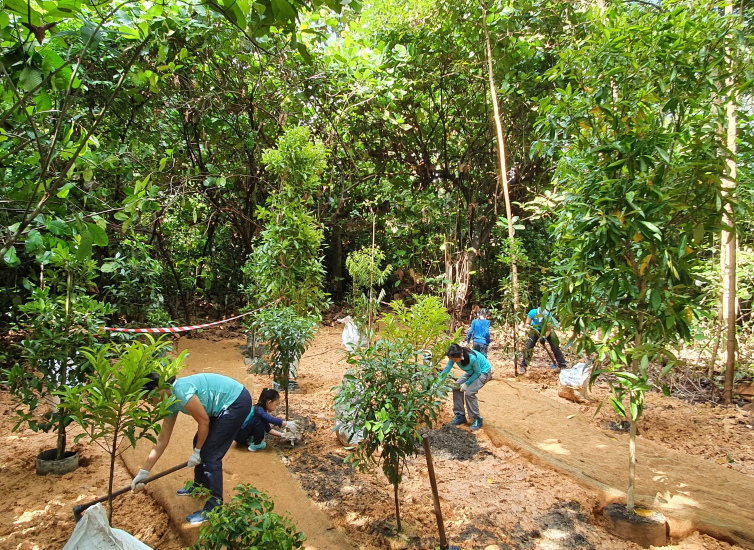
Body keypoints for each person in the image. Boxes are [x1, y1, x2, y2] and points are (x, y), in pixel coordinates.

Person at [131, 372, 252, 525]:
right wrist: (144, 472)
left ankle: (214, 508)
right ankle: (200, 486)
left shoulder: (181, 391)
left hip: (236, 402)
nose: (149, 402)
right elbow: (162, 439)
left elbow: (204, 422)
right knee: (199, 442)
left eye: (147, 398)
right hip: (222, 404)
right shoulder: (170, 400)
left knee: (210, 454)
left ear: (156, 389)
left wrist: (198, 453)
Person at [440, 343, 492, 431]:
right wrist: (437, 382)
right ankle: (460, 415)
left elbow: (477, 373)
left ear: (461, 355)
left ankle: (477, 418)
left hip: (483, 372)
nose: (452, 361)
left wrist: (467, 383)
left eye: (454, 360)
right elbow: (447, 369)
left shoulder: (472, 358)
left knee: (469, 393)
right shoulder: (454, 356)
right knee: (455, 387)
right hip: (472, 372)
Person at [234, 388, 298, 451]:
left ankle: (251, 440)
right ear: (269, 402)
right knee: (259, 420)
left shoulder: (260, 410)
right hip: (239, 436)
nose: (276, 407)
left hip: (240, 434)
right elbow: (270, 419)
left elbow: (268, 429)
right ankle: (256, 444)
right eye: (276, 404)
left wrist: (284, 435)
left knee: (260, 420)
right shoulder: (259, 410)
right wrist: (287, 423)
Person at [519, 307, 567, 374]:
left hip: (546, 331)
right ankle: (523, 365)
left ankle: (562, 365)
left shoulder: (548, 316)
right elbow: (527, 323)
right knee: (529, 347)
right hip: (535, 330)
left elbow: (548, 330)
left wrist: (544, 337)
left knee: (555, 347)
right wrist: (530, 327)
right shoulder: (532, 313)